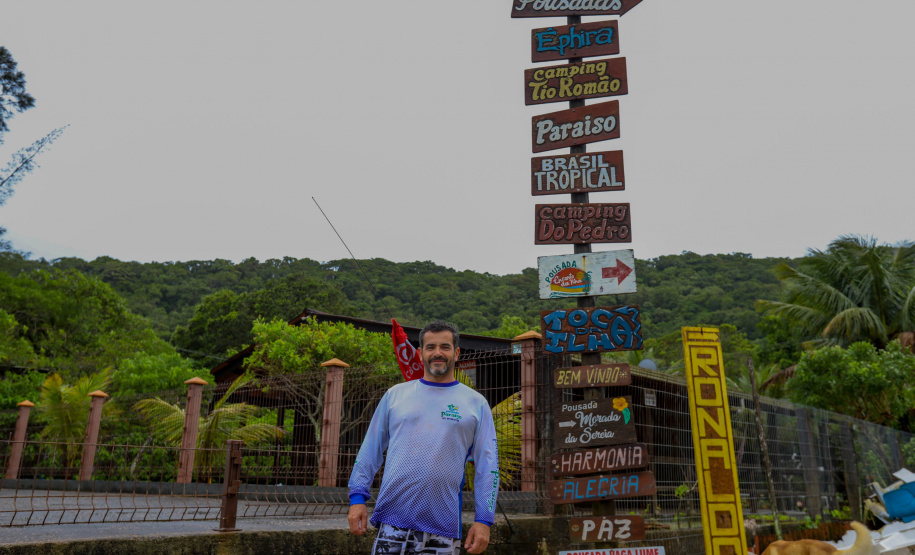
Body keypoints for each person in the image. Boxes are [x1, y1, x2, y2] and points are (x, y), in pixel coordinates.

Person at [347, 321, 499, 555]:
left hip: (443, 527)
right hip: (392, 521)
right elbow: (370, 449)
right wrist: (357, 497)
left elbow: (488, 467)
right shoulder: (395, 395)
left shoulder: (476, 404)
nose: (437, 353)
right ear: (420, 353)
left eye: (445, 347)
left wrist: (484, 520)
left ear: (456, 353)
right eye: (430, 347)